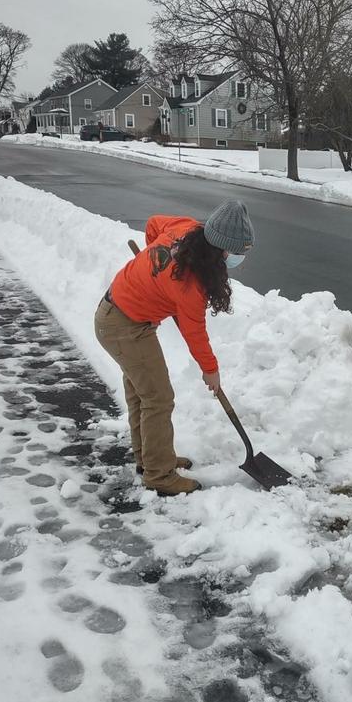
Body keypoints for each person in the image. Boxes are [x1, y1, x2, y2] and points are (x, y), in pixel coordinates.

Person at [94, 199, 254, 496]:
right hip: (122, 327)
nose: (240, 259)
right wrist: (211, 371)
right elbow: (196, 334)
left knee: (144, 395)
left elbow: (154, 223)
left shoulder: (187, 228)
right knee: (158, 398)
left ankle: (151, 458)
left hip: (122, 317)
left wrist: (153, 272)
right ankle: (159, 474)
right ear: (222, 250)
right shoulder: (190, 285)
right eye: (239, 252)